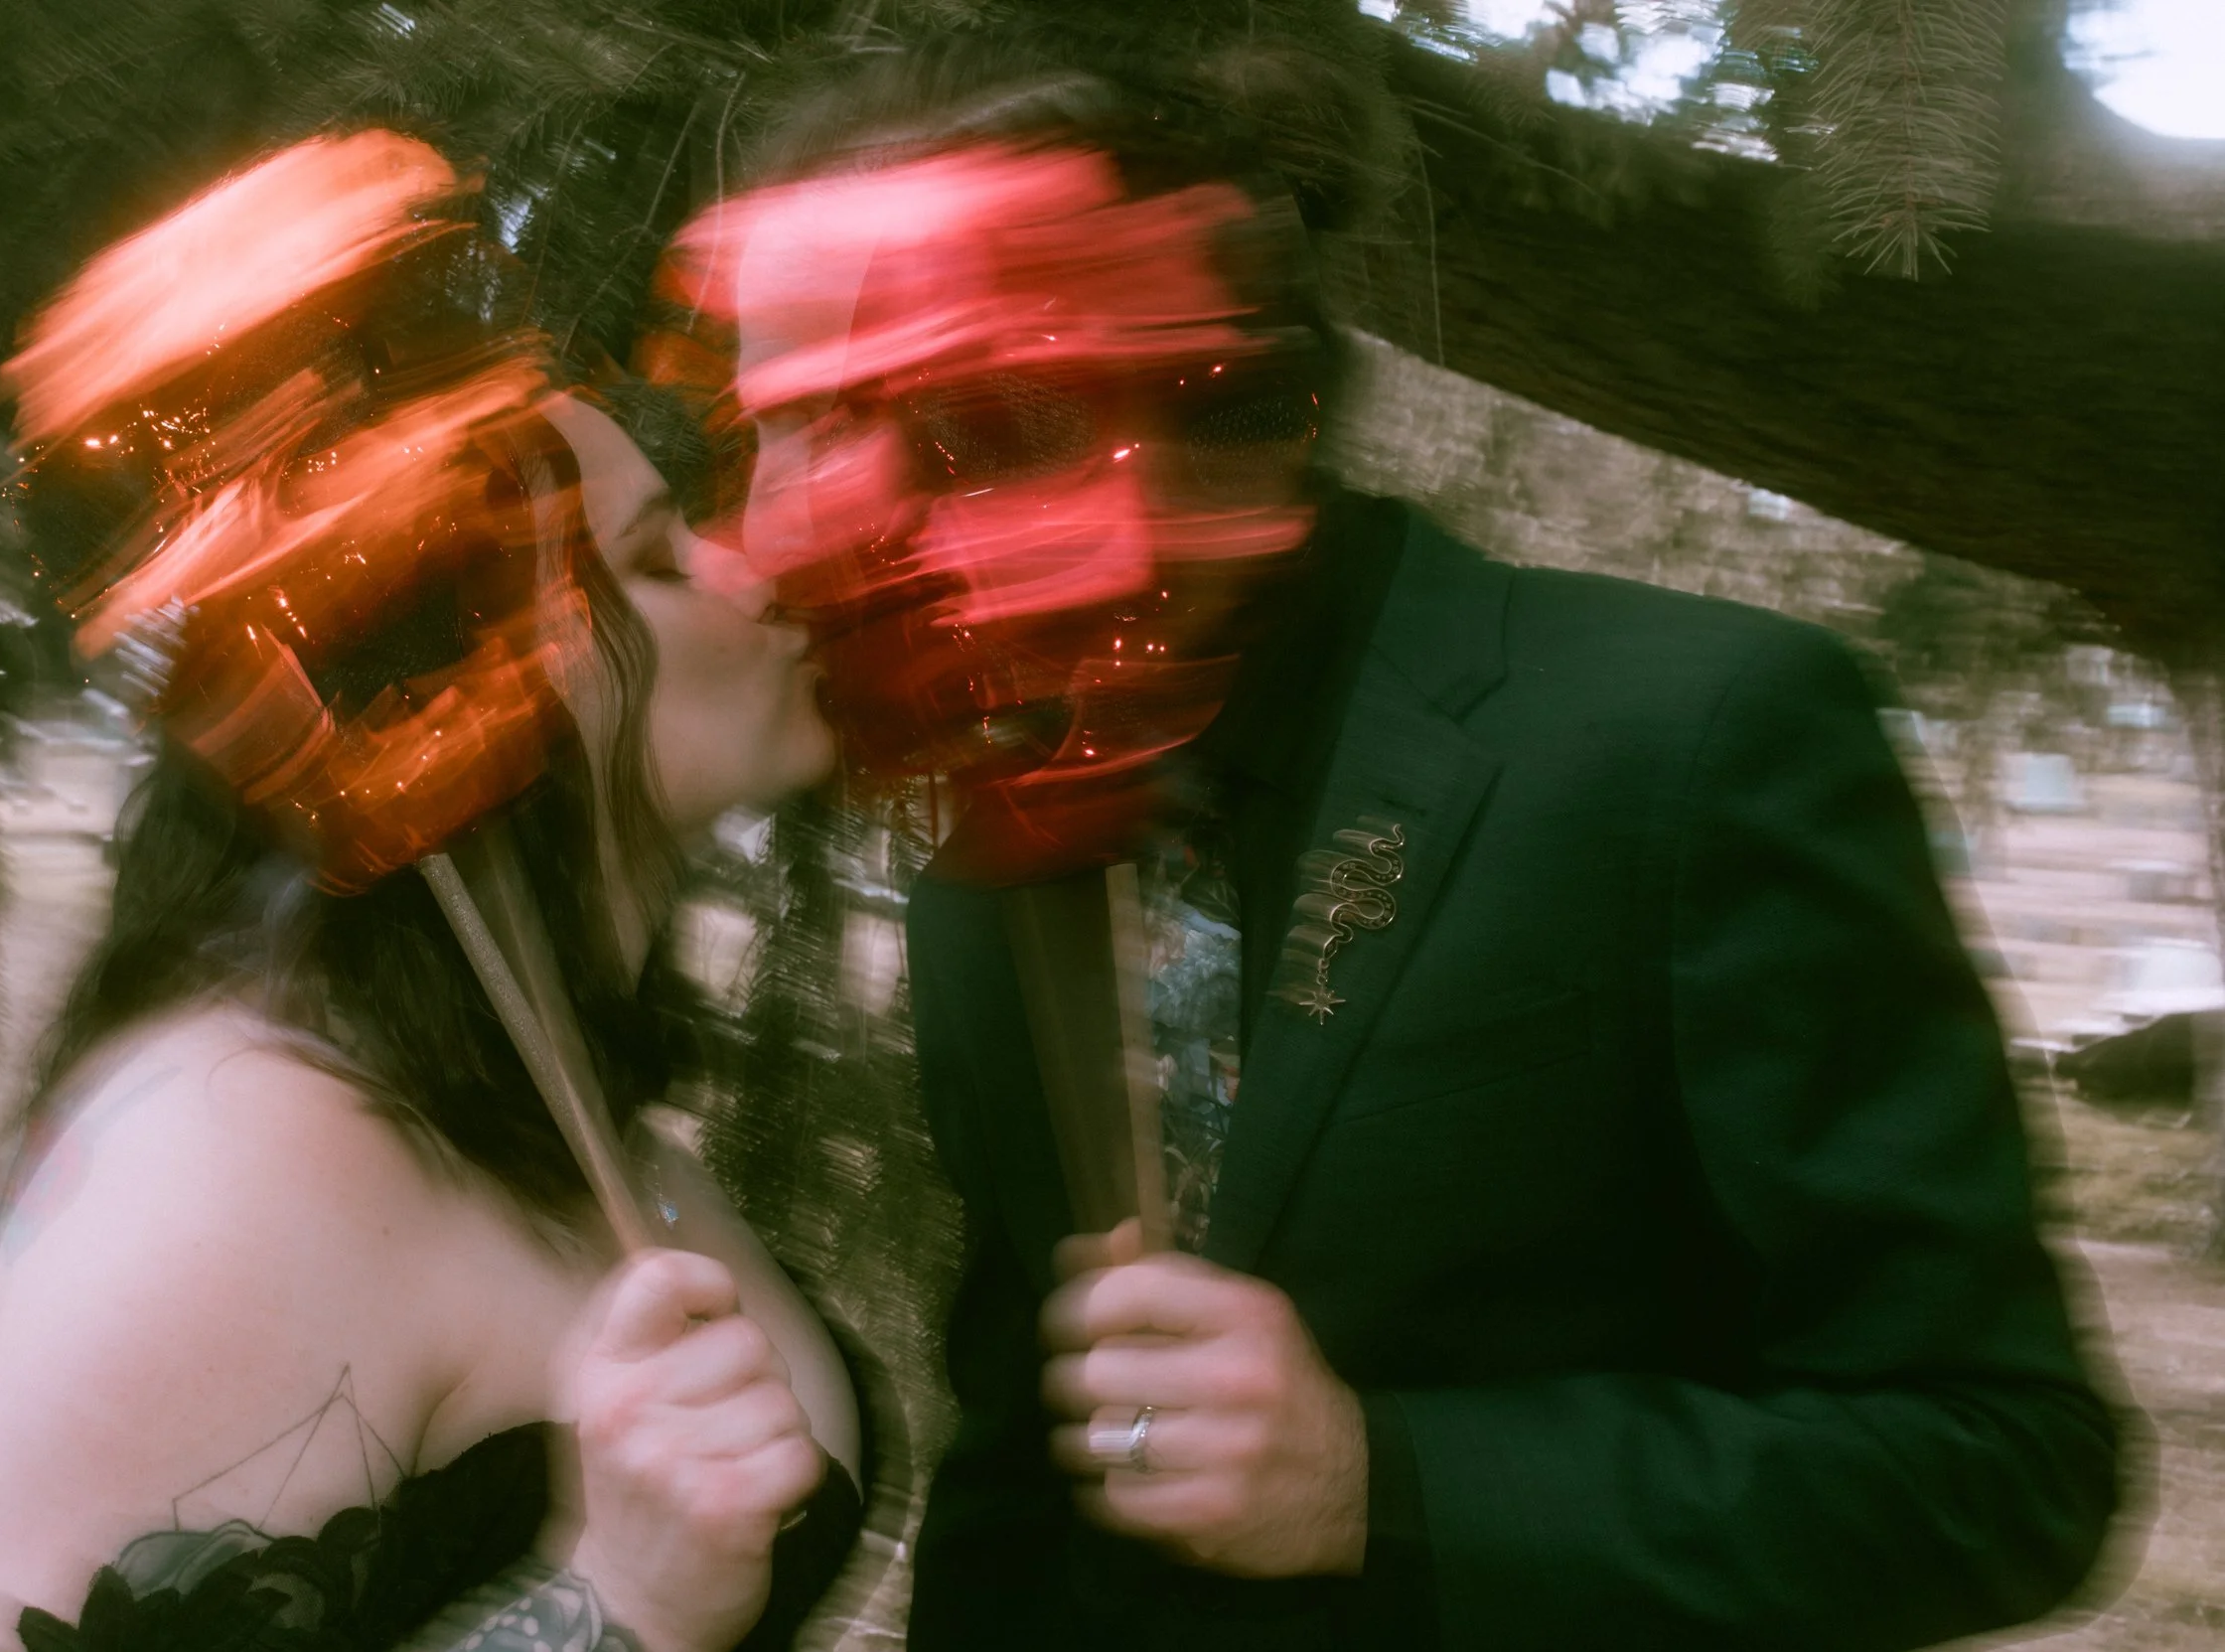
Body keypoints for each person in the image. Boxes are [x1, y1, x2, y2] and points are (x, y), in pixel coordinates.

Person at [714, 33, 2122, 1652]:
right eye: (783, 429)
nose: (785, 525)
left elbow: (2004, 1465)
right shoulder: (1000, 857)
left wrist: (1385, 1483)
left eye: (934, 415)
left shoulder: (1693, 736)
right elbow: (1025, 1470)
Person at [0, 369, 859, 1651]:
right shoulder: (234, 1173)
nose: (755, 575)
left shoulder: (556, 1093)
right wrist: (622, 1608)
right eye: (658, 558)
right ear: (452, 700)